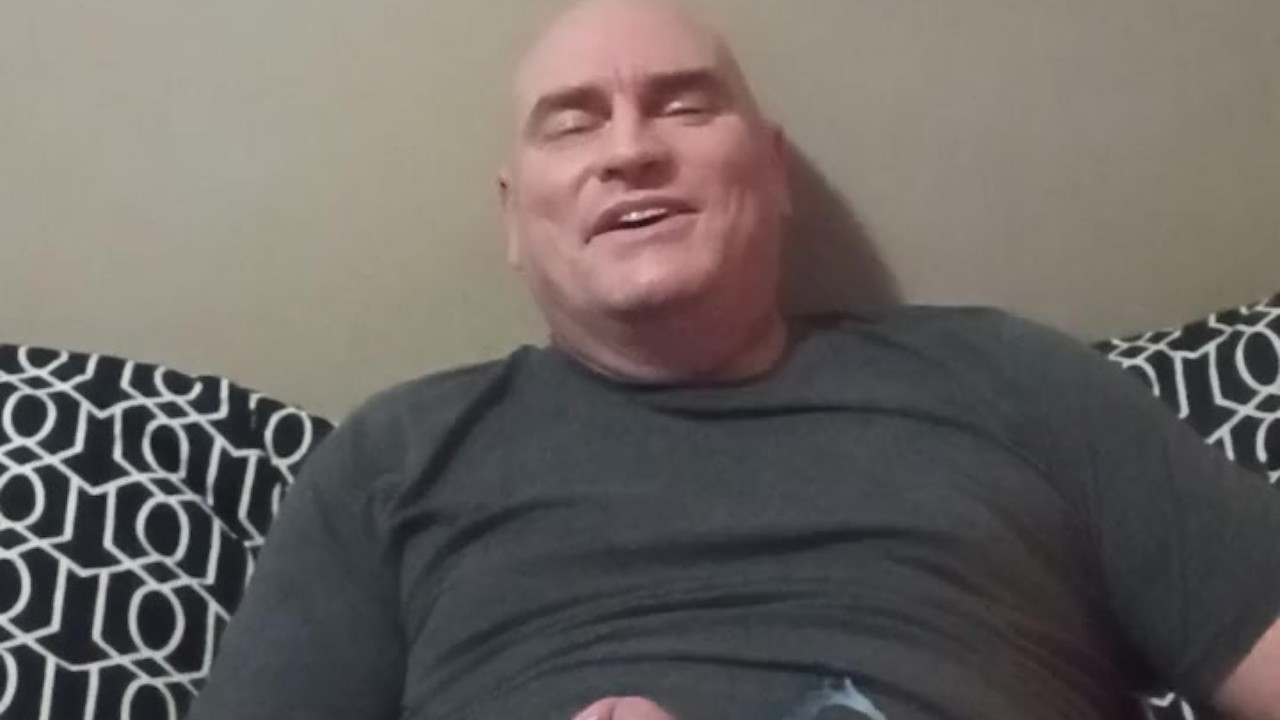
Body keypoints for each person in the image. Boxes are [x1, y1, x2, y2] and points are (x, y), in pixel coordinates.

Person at [187, 1, 1280, 718]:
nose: (630, 149)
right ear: (514, 218)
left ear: (770, 170)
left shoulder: (1009, 381)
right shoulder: (394, 458)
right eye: (572, 124)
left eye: (682, 103)